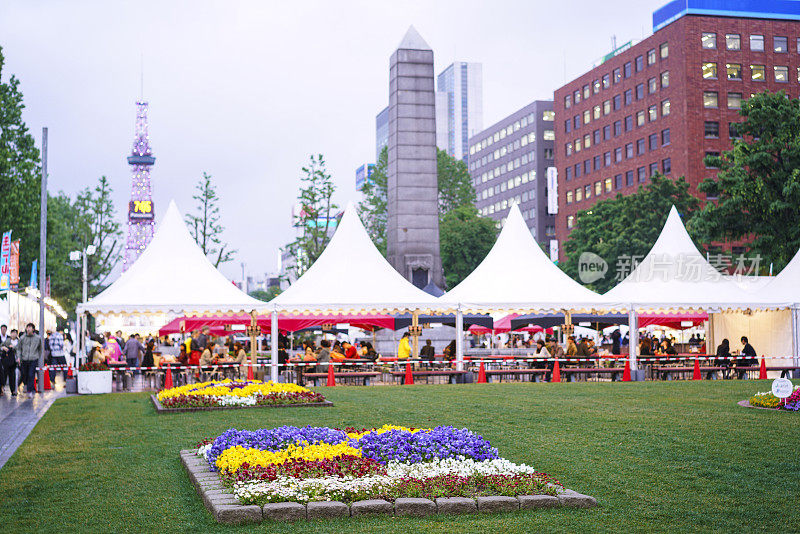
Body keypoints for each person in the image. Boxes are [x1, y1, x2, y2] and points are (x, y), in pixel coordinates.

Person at [18, 323, 41, 398]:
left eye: (30, 327)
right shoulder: (22, 338)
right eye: (27, 327)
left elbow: (40, 349)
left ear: (33, 329)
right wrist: (19, 357)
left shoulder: (38, 338)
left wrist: (38, 356)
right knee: (25, 374)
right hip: (24, 359)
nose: (28, 329)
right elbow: (19, 349)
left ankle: (29, 391)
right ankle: (26, 385)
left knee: (31, 375)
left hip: (33, 359)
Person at [1, 328, 18, 396]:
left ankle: (13, 390)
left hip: (15, 361)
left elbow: (20, 349)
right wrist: (3, 348)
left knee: (12, 376)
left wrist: (14, 347)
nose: (13, 334)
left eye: (15, 333)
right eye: (12, 333)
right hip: (7, 361)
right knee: (4, 375)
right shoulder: (7, 341)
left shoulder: (19, 341)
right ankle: (2, 388)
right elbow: (1, 346)